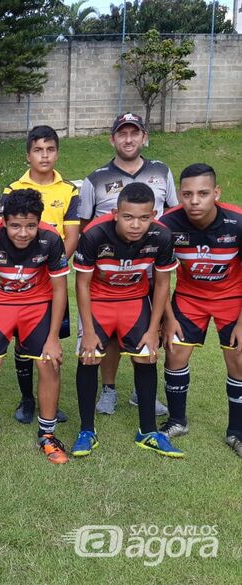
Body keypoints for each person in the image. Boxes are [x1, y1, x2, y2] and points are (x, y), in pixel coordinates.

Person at [71, 182, 183, 459]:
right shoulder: (95, 233)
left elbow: (161, 285)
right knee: (88, 356)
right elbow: (81, 284)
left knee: (147, 357)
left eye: (144, 218)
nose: (136, 225)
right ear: (115, 213)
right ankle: (86, 430)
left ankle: (147, 432)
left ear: (153, 214)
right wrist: (87, 331)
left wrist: (154, 327)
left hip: (134, 302)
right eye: (129, 217)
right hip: (99, 301)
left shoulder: (162, 235)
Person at [78, 112, 178, 416]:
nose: (129, 139)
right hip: (110, 273)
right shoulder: (95, 179)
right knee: (107, 334)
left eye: (134, 133)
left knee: (151, 331)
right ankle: (108, 389)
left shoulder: (161, 171)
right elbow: (85, 226)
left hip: (152, 267)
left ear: (144, 136)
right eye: (122, 133)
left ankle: (141, 391)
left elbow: (173, 215)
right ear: (113, 139)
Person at [0, 189, 70, 464]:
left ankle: (48, 436)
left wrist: (53, 338)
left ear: (39, 222)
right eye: (15, 225)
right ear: (3, 221)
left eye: (30, 226)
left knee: (50, 362)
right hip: (0, 302)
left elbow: (60, 290)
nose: (23, 233)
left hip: (36, 303)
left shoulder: (51, 238)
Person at [158, 164, 242, 457]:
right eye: (187, 194)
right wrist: (167, 320)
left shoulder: (238, 221)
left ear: (216, 193)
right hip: (189, 298)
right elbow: (160, 277)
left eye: (203, 193)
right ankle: (177, 421)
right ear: (179, 195)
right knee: (175, 352)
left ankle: (237, 432)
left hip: (232, 298)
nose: (195, 201)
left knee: (239, 360)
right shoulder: (166, 224)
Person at [2, 125, 77, 425]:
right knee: (22, 342)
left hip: (51, 278)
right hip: (21, 280)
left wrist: (53, 266)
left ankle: (50, 400)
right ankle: (27, 399)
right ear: (28, 155)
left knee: (50, 340)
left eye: (50, 149)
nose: (44, 156)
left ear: (57, 152)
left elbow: (71, 236)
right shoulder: (12, 189)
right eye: (38, 150)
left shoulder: (69, 190)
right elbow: (6, 234)